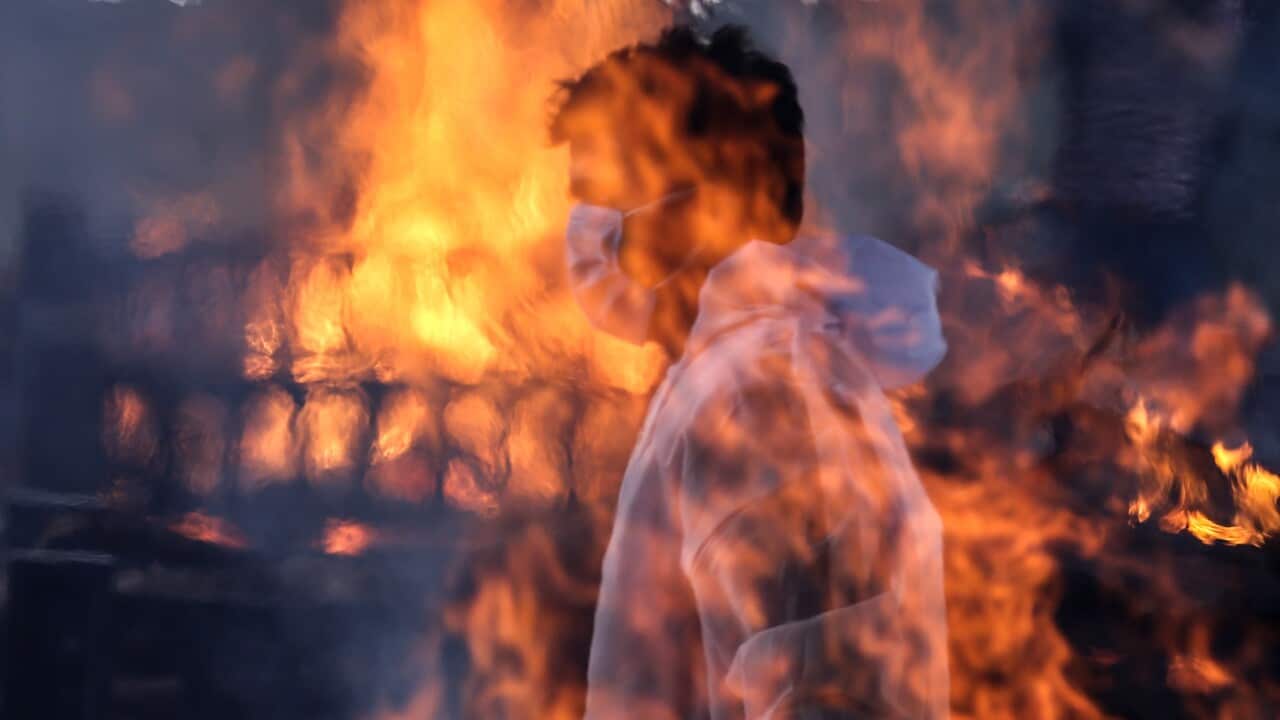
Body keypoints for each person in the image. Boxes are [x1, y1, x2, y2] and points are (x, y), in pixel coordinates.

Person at [552, 25, 950, 719]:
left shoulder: (759, 401)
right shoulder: (733, 379)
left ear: (704, 201)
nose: (583, 226)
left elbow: (821, 699)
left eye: (602, 193)